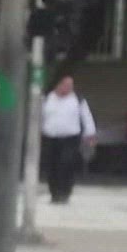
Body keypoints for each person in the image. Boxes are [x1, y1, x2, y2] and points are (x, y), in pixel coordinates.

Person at [41, 74, 98, 204]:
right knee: (52, 166)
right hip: (50, 137)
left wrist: (90, 134)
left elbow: (86, 116)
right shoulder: (47, 99)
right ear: (58, 85)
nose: (69, 87)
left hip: (70, 138)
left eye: (71, 85)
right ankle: (54, 193)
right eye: (66, 84)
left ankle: (65, 192)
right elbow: (39, 117)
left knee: (66, 164)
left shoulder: (77, 99)